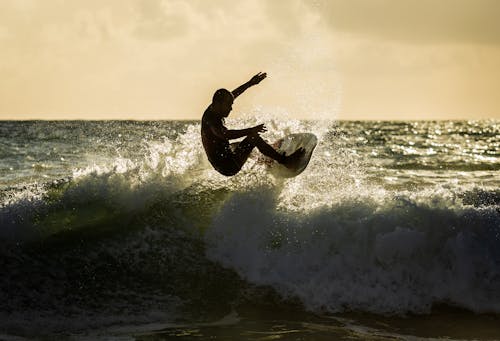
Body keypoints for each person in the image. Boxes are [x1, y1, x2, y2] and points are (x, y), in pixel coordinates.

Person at [201, 72, 304, 176]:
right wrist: (251, 130)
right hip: (228, 166)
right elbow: (225, 134)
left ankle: (267, 159)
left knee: (236, 145)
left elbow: (233, 94)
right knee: (253, 138)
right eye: (228, 105)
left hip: (222, 161)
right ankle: (285, 161)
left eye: (231, 104)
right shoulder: (211, 119)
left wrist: (250, 83)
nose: (231, 108)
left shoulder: (215, 107)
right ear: (218, 104)